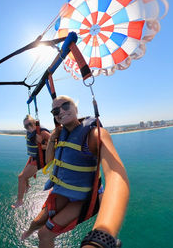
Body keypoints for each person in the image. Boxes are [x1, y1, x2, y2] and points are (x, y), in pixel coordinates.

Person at [21, 95, 130, 248]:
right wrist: (52, 138)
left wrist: (103, 235)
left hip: (83, 198)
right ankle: (27, 232)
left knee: (44, 234)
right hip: (63, 190)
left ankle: (36, 233)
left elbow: (116, 176)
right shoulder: (61, 134)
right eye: (55, 111)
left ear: (76, 108)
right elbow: (49, 160)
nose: (61, 112)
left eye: (66, 106)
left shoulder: (93, 134)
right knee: (37, 221)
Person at [11, 115, 51, 209]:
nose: (28, 127)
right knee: (24, 175)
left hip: (40, 159)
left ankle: (19, 201)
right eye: (26, 126)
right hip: (33, 157)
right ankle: (27, 185)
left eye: (30, 124)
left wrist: (42, 143)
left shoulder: (42, 132)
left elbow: (56, 144)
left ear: (35, 123)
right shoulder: (30, 132)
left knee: (21, 177)